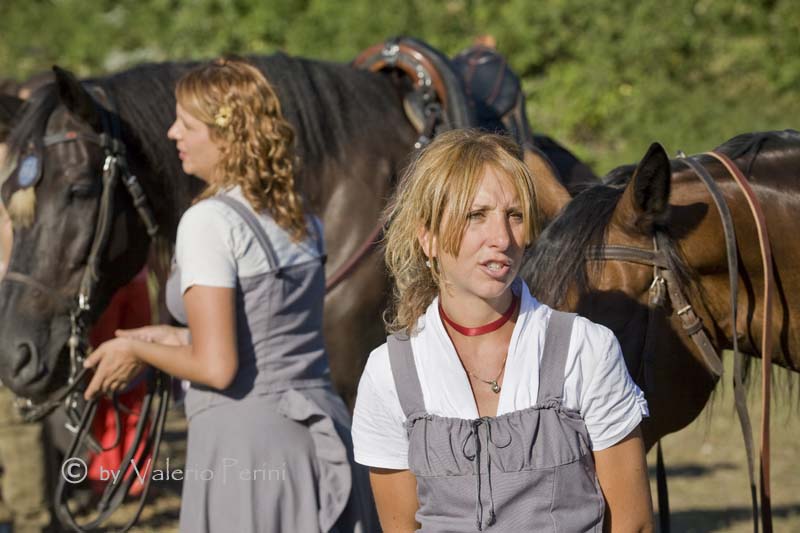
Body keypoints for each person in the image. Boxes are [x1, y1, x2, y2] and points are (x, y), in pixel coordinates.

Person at [82, 57, 376, 532]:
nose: (172, 133)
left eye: (187, 123)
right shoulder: (301, 218)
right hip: (322, 433)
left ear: (227, 135)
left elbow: (218, 367)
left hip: (248, 447)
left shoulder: (208, 222)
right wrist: (162, 338)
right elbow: (265, 336)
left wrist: (136, 349)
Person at [352, 129, 654, 532]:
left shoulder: (586, 348)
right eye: (476, 216)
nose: (502, 238)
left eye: (514, 216)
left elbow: (633, 524)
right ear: (429, 238)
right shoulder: (389, 373)